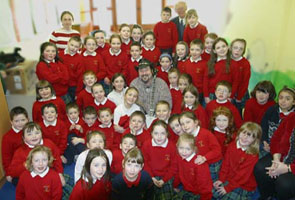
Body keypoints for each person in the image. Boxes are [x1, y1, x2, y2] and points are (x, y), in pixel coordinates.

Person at [213, 122, 261, 200]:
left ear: (254, 140)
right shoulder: (232, 145)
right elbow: (226, 164)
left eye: (249, 136)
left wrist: (228, 188)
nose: (245, 137)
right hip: (230, 178)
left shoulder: (252, 155)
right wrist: (221, 179)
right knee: (211, 192)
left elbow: (242, 176)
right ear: (239, 133)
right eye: (243, 133)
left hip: (244, 184)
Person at [255, 111, 295, 200]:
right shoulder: (292, 116)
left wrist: (288, 168)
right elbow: (276, 138)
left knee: (284, 183)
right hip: (282, 156)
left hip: (292, 166)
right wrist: (276, 160)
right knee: (260, 168)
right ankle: (267, 196)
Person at [179, 111, 222, 181]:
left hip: (212, 163)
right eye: (182, 124)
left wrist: (205, 158)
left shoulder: (206, 134)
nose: (185, 126)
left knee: (209, 183)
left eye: (188, 122)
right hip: (199, 163)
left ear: (196, 122)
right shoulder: (186, 136)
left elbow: (217, 150)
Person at [142, 120, 177, 200]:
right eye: (156, 133)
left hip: (166, 177)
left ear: (167, 134)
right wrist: (152, 177)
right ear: (151, 134)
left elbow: (174, 167)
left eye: (162, 133)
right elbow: (145, 163)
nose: (159, 136)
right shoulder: (147, 144)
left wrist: (164, 180)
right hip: (150, 175)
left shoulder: (172, 146)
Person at [173, 133, 213, 199]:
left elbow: (205, 184)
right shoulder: (180, 158)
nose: (184, 152)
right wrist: (174, 186)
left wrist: (205, 198)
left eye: (188, 149)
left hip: (199, 193)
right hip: (186, 188)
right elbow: (178, 173)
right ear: (177, 147)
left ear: (194, 149)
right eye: (181, 148)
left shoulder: (198, 164)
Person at [260, 86, 295, 157]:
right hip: (268, 144)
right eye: (281, 98)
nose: (283, 101)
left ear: (294, 102)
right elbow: (263, 126)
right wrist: (264, 141)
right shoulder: (271, 110)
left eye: (287, 99)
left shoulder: (293, 116)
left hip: (286, 150)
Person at [203, 37, 239, 104]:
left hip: (226, 95)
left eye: (223, 46)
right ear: (214, 50)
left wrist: (230, 96)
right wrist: (206, 96)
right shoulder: (210, 63)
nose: (221, 49)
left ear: (227, 47)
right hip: (212, 95)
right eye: (218, 48)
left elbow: (235, 82)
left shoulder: (234, 64)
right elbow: (206, 80)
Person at [2, 106, 29, 182]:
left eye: (23, 120)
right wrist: (8, 173)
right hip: (18, 166)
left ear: (28, 119)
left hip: (33, 161)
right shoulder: (7, 137)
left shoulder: (31, 130)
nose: (20, 123)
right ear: (11, 122)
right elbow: (6, 157)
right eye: (16, 121)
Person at [58, 36, 84, 102]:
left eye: (76, 47)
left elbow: (80, 77)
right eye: (72, 45)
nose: (73, 48)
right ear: (68, 43)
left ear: (79, 48)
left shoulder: (79, 58)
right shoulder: (59, 55)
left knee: (73, 106)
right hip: (61, 86)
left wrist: (78, 92)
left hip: (73, 87)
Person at [230, 38, 251, 115]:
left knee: (237, 113)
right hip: (228, 91)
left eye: (241, 49)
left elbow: (245, 82)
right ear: (231, 48)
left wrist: (239, 97)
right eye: (235, 48)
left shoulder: (245, 63)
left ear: (243, 51)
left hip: (240, 93)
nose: (237, 51)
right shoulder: (227, 60)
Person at [184, 39, 207, 105]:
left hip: (199, 92)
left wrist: (205, 95)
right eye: (192, 49)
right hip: (188, 92)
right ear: (189, 50)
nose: (194, 52)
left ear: (202, 51)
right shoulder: (186, 62)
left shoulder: (205, 64)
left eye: (197, 50)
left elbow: (205, 81)